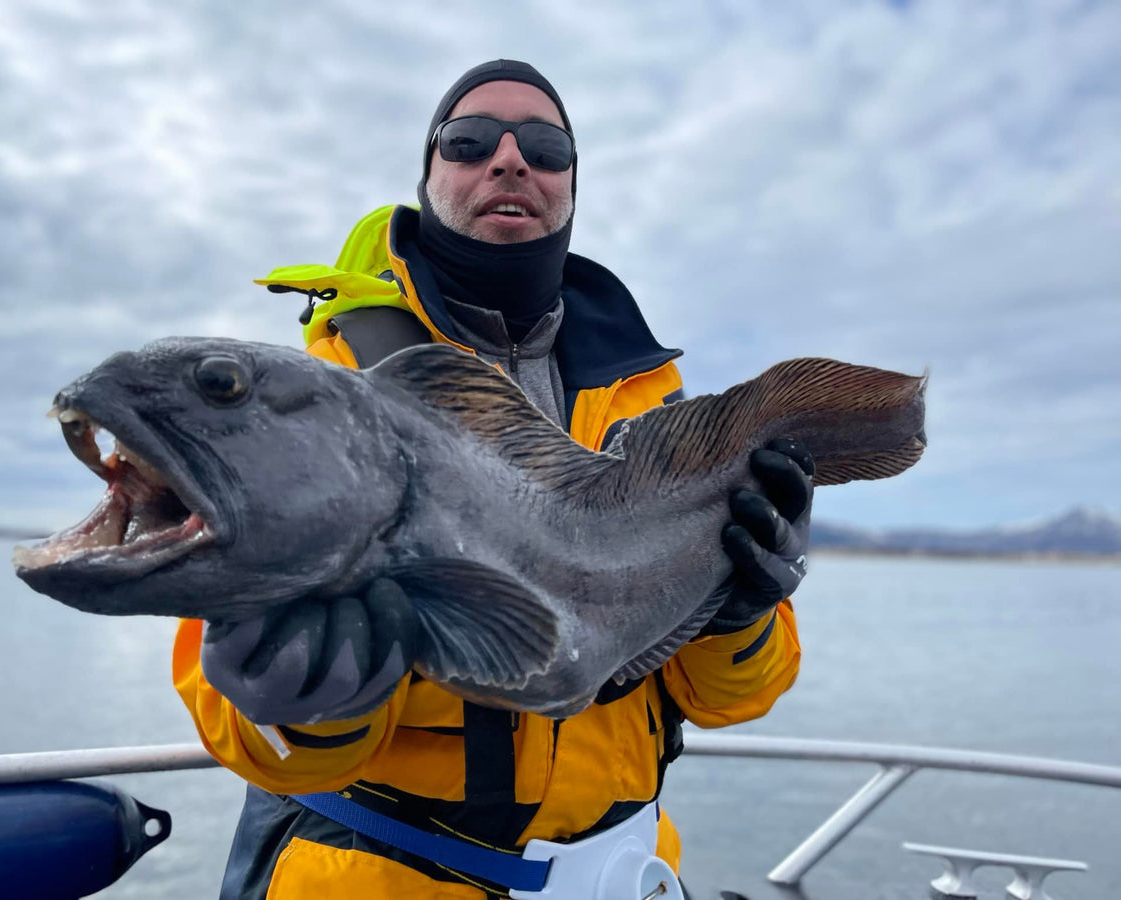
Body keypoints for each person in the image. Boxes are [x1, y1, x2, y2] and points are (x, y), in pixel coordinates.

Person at [173, 59, 812, 900]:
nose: (509, 162)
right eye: (469, 142)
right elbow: (253, 741)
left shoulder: (657, 408)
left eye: (545, 148)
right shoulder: (318, 395)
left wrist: (740, 613)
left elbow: (734, 699)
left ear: (572, 186)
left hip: (631, 873)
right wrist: (302, 696)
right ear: (429, 175)